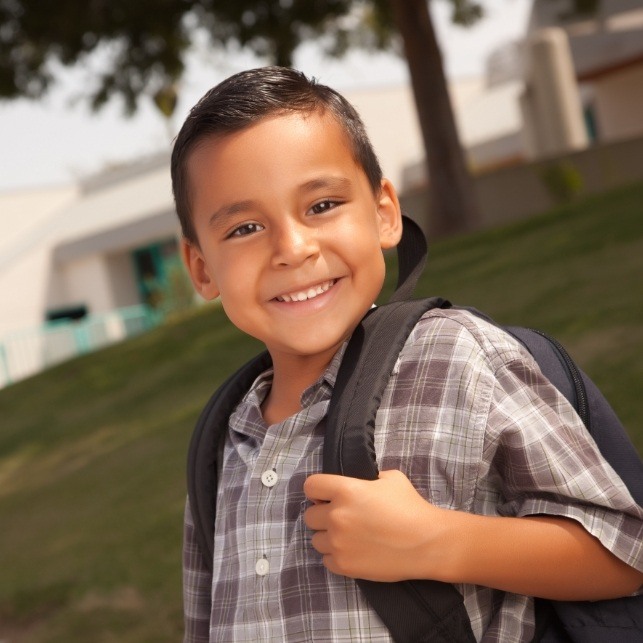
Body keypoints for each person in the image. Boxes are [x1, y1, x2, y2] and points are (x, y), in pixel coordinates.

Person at [171, 66, 643, 642]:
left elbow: (625, 553)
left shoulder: (458, 358)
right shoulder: (222, 435)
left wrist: (438, 541)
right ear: (200, 267)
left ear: (384, 213)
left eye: (321, 206)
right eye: (245, 227)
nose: (292, 249)